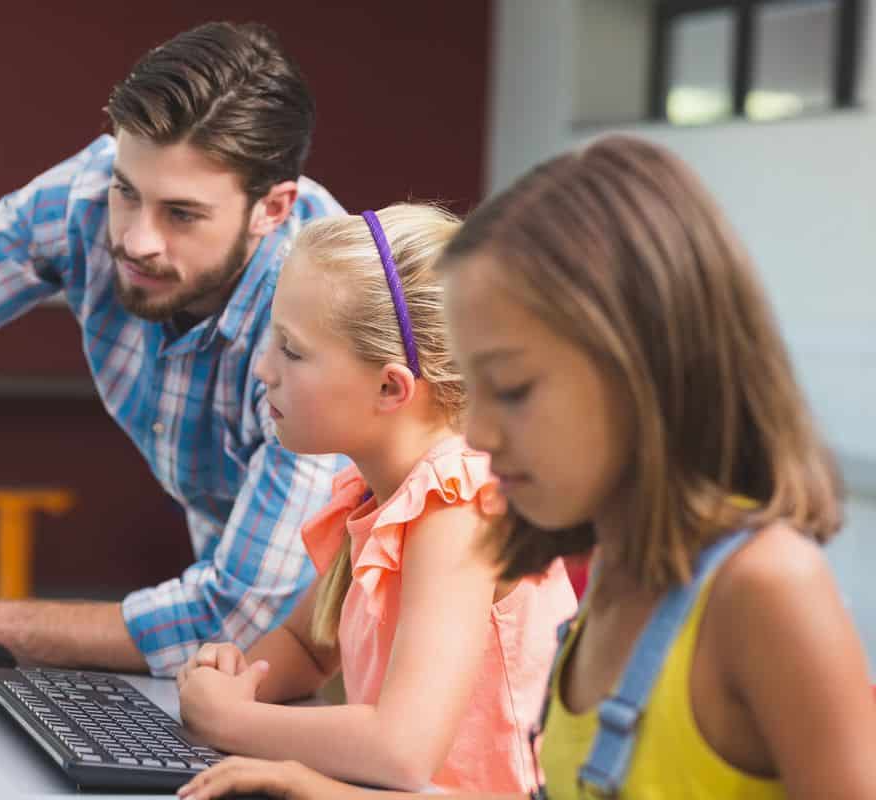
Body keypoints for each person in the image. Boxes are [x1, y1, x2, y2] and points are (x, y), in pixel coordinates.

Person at [175, 136, 876, 800]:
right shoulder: (615, 587)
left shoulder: (768, 589)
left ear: (636, 374)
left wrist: (240, 726)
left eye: (512, 389)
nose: (477, 430)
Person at [0, 21, 349, 676]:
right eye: (128, 193)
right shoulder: (97, 191)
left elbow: (232, 617)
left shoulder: (324, 325)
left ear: (273, 208)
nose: (136, 239)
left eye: (181, 214)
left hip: (364, 649)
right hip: (240, 630)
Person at [174, 204, 576, 793]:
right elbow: (306, 649)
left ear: (391, 387)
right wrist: (239, 679)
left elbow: (402, 751)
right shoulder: (381, 493)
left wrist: (233, 720)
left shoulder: (456, 507)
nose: (264, 368)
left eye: (292, 349)